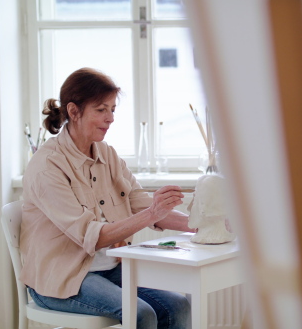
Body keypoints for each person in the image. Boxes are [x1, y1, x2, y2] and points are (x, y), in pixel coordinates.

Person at [20, 67, 194, 329]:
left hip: (109, 269)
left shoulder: (107, 154)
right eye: (101, 109)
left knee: (178, 305)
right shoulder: (47, 166)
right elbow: (94, 234)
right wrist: (151, 214)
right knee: (141, 313)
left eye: (113, 109)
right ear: (74, 111)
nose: (110, 118)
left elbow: (142, 203)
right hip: (61, 278)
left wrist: (202, 225)